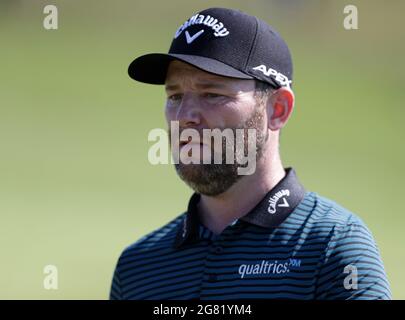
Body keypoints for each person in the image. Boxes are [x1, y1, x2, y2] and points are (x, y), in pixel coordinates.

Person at [110, 7, 391, 300]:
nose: (184, 116)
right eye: (175, 96)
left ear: (277, 109)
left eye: (212, 94)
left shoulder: (332, 245)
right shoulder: (137, 268)